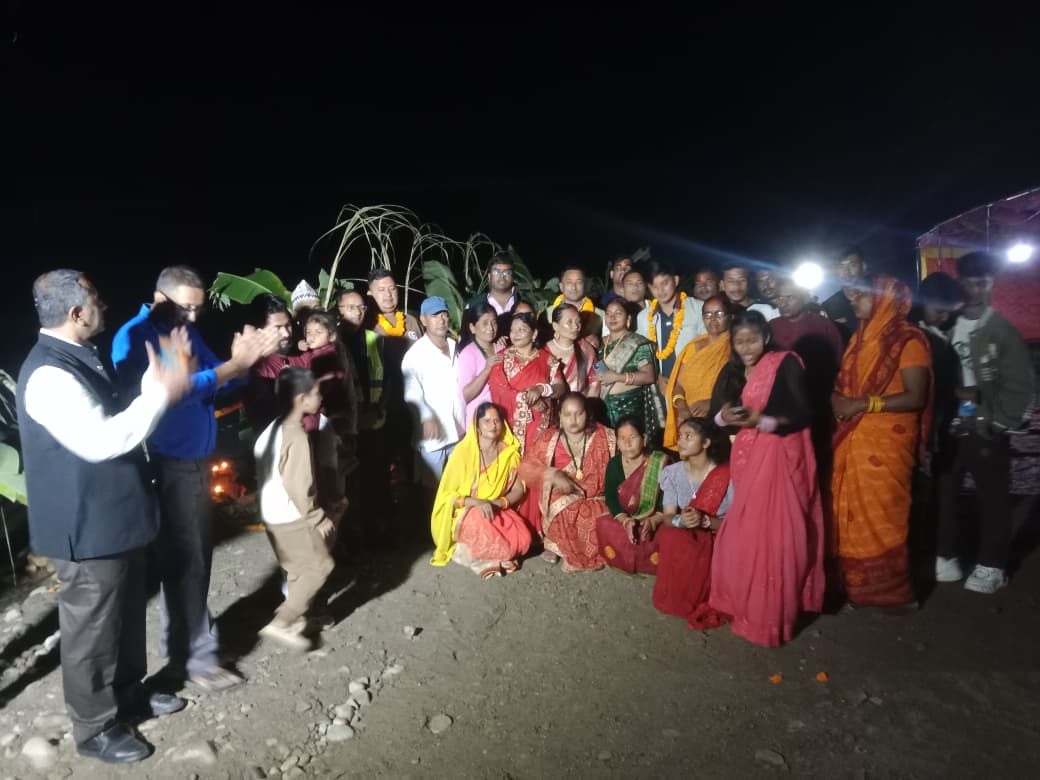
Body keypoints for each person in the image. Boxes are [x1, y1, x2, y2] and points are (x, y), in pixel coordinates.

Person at [17, 270, 192, 763]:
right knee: (91, 628)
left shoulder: (79, 355)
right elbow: (103, 440)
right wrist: (161, 392)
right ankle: (94, 726)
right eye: (96, 299)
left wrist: (156, 379)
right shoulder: (49, 374)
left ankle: (129, 694)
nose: (104, 305)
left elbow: (119, 410)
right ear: (76, 313)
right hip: (86, 525)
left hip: (115, 518)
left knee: (125, 615)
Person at [112, 265, 279, 693]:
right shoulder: (136, 336)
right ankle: (195, 659)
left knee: (194, 559)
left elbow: (217, 382)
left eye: (198, 309)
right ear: (159, 296)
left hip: (196, 459)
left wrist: (244, 365)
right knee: (185, 561)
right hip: (168, 462)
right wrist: (233, 366)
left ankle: (188, 651)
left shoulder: (183, 330)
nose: (191, 316)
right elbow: (176, 389)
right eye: (185, 307)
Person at [708, 311, 825, 647]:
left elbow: (803, 413)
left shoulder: (784, 363)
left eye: (752, 340)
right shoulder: (732, 369)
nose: (746, 348)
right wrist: (725, 417)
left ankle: (771, 616)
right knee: (747, 532)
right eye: (740, 341)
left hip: (780, 457)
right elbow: (717, 415)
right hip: (747, 457)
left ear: (766, 338)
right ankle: (745, 604)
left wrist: (763, 421)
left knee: (775, 535)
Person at [936, 252, 1034, 594]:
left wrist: (997, 423)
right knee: (945, 492)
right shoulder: (948, 324)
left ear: (992, 283)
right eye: (968, 283)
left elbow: (1020, 386)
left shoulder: (1001, 331)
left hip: (985, 428)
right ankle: (946, 555)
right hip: (951, 426)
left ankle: (991, 565)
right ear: (960, 283)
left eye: (982, 283)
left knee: (992, 497)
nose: (975, 290)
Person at [831, 276, 932, 608]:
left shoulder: (908, 340)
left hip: (887, 442)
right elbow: (844, 385)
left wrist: (863, 405)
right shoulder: (858, 339)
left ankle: (894, 595)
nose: (853, 302)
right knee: (849, 513)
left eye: (861, 296)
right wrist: (837, 399)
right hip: (853, 438)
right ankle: (855, 586)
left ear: (884, 299)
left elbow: (915, 396)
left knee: (885, 514)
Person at [254, 368, 341, 651]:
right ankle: (283, 620)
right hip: (292, 516)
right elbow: (299, 484)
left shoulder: (270, 431)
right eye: (315, 393)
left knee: (295, 570)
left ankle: (301, 619)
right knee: (320, 566)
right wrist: (317, 517)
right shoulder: (297, 437)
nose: (319, 398)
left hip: (271, 516)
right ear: (301, 399)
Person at [430, 402, 531, 578]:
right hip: (466, 510)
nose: (493, 425)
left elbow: (518, 489)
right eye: (487, 421)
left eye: (497, 421)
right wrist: (478, 503)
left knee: (524, 538)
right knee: (479, 519)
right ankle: (484, 557)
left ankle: (491, 551)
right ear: (477, 427)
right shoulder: (464, 453)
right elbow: (447, 497)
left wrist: (498, 503)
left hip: (496, 507)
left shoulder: (509, 454)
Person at [519, 392, 617, 570]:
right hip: (565, 499)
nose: (573, 420)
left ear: (587, 414)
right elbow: (526, 467)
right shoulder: (549, 439)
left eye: (579, 414)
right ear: (560, 416)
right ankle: (561, 547)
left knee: (605, 518)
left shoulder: (605, 437)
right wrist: (552, 475)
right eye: (567, 414)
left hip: (597, 497)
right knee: (568, 511)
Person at [652, 417, 733, 629]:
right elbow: (668, 517)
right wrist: (680, 520)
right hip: (689, 535)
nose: (680, 441)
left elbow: (739, 524)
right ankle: (679, 596)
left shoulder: (727, 475)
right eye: (680, 436)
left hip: (721, 535)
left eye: (689, 436)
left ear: (706, 442)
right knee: (670, 535)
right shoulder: (673, 473)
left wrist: (707, 521)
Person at [401, 296, 465, 491]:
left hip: (459, 431)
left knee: (458, 488)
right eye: (435, 316)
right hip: (433, 437)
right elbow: (411, 393)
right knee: (432, 490)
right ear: (423, 320)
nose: (441, 320)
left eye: (444, 315)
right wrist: (426, 416)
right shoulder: (415, 354)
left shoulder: (455, 346)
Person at [595, 416, 667, 574]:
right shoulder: (614, 463)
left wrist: (653, 521)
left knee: (665, 533)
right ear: (617, 442)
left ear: (644, 439)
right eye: (622, 439)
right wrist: (625, 520)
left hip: (653, 516)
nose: (627, 444)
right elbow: (611, 497)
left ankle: (646, 565)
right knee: (603, 524)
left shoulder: (659, 462)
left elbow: (666, 499)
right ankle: (624, 560)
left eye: (633, 437)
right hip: (625, 517)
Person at [488, 311, 566, 452]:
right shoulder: (502, 358)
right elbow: (497, 390)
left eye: (521, 330)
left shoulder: (547, 359)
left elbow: (560, 387)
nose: (515, 334)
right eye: (512, 330)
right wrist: (528, 399)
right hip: (509, 426)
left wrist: (542, 389)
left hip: (539, 426)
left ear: (534, 334)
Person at [662, 295, 733, 450]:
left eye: (719, 314)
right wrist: (682, 407)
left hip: (720, 418)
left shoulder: (734, 346)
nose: (713, 319)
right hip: (689, 419)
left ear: (729, 316)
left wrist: (713, 403)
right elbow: (678, 384)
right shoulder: (692, 347)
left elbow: (740, 387)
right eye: (707, 315)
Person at [636, 261, 706, 397]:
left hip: (695, 386)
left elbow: (708, 348)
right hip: (662, 389)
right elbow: (642, 355)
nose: (660, 291)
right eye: (654, 286)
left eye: (665, 283)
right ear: (649, 288)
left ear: (676, 280)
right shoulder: (644, 317)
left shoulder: (698, 309)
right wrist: (657, 378)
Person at [597, 298, 661, 441]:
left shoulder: (638, 343)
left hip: (630, 407)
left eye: (618, 313)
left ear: (628, 318)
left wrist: (617, 377)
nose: (612, 317)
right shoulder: (599, 344)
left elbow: (649, 376)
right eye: (608, 313)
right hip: (604, 409)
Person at [243, 293, 296, 432]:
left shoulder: (300, 353)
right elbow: (265, 421)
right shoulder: (255, 370)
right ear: (260, 331)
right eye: (277, 328)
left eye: (288, 325)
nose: (286, 333)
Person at [457, 301, 505, 428]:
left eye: (494, 322)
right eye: (485, 323)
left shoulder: (502, 349)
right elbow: (465, 395)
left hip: (500, 418)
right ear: (472, 328)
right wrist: (487, 370)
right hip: (479, 421)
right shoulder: (468, 353)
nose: (491, 328)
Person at [544, 266, 605, 345]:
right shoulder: (547, 314)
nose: (574, 287)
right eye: (569, 282)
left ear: (585, 286)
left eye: (579, 282)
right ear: (561, 287)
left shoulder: (600, 315)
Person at [547, 303, 599, 395]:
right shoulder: (543, 351)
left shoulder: (587, 349)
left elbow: (596, 382)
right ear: (555, 326)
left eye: (578, 321)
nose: (576, 326)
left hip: (581, 403)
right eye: (569, 322)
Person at [821, 247, 868, 340]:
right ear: (836, 270)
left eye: (852, 265)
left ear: (863, 267)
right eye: (841, 267)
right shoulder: (828, 307)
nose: (846, 272)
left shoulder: (881, 300)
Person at [485, 251, 517, 338]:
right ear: (489, 276)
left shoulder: (524, 303)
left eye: (507, 273)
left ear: (512, 276)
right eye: (496, 272)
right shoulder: (475, 305)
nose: (501, 276)